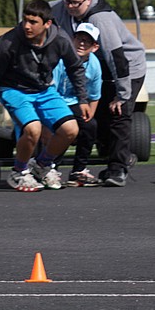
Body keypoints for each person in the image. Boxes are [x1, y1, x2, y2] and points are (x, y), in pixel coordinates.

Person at [0, 0, 90, 192]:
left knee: (70, 130)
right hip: (13, 89)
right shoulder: (8, 41)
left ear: (47, 24)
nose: (27, 26)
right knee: (33, 129)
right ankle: (19, 172)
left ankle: (42, 165)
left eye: (33, 22)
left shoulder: (60, 39)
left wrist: (83, 99)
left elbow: (75, 68)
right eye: (25, 20)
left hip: (44, 90)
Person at [50, 0, 147, 186]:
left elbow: (117, 58)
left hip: (127, 67)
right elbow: (38, 13)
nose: (70, 7)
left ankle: (117, 169)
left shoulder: (99, 19)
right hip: (99, 65)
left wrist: (122, 95)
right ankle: (120, 157)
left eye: (75, 3)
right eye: (67, 1)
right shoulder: (60, 8)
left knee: (118, 114)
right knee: (98, 119)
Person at [55, 23, 104, 187]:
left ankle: (79, 170)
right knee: (63, 127)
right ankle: (50, 167)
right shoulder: (60, 58)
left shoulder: (95, 66)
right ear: (72, 39)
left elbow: (94, 96)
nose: (81, 43)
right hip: (54, 99)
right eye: (79, 39)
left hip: (75, 102)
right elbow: (51, 88)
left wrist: (88, 118)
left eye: (87, 41)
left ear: (94, 47)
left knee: (90, 126)